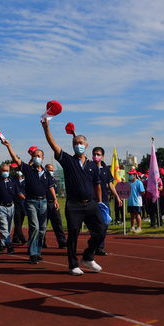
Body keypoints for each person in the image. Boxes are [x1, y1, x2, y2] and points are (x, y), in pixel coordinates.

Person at [42, 118, 104, 276]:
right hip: (74, 206)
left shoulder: (92, 166)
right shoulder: (68, 161)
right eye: (75, 143)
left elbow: (97, 185)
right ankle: (73, 265)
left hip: (91, 204)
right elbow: (53, 144)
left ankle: (88, 257)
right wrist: (46, 128)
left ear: (86, 145)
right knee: (74, 234)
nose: (78, 145)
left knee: (101, 230)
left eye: (81, 142)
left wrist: (100, 202)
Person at [0, 139, 56, 264]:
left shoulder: (47, 173)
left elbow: (51, 186)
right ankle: (32, 253)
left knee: (42, 229)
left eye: (38, 156)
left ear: (43, 158)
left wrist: (55, 199)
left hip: (44, 202)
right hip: (31, 202)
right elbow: (15, 158)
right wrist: (9, 146)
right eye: (34, 156)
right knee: (34, 227)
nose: (36, 158)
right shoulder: (27, 169)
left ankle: (38, 251)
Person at [91, 147, 123, 255]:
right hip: (92, 201)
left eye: (98, 154)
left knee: (105, 224)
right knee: (95, 225)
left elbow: (111, 185)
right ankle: (95, 247)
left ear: (102, 156)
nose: (96, 156)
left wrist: (117, 197)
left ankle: (99, 246)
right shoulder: (89, 168)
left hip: (104, 201)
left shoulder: (105, 170)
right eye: (94, 154)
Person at [0, 162, 24, 254]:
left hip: (11, 207)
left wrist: (26, 199)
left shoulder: (13, 181)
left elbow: (19, 192)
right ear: (0, 171)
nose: (5, 172)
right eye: (4, 170)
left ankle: (1, 243)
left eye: (7, 170)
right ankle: (9, 245)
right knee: (4, 227)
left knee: (8, 228)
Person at [45, 163, 67, 249]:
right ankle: (42, 242)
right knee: (43, 225)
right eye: (50, 170)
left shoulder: (54, 180)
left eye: (52, 170)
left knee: (58, 223)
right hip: (45, 203)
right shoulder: (43, 179)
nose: (51, 172)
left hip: (53, 203)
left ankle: (62, 242)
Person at [12, 170, 28, 244]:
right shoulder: (13, 181)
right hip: (15, 204)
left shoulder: (26, 181)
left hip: (24, 205)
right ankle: (22, 238)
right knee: (18, 222)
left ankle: (15, 237)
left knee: (20, 222)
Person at [127, 169, 145, 233]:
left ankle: (139, 227)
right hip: (130, 202)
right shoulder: (128, 183)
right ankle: (132, 227)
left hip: (137, 202)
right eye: (129, 174)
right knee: (132, 215)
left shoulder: (139, 182)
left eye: (131, 174)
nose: (129, 176)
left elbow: (143, 192)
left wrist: (137, 194)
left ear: (135, 175)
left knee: (137, 214)